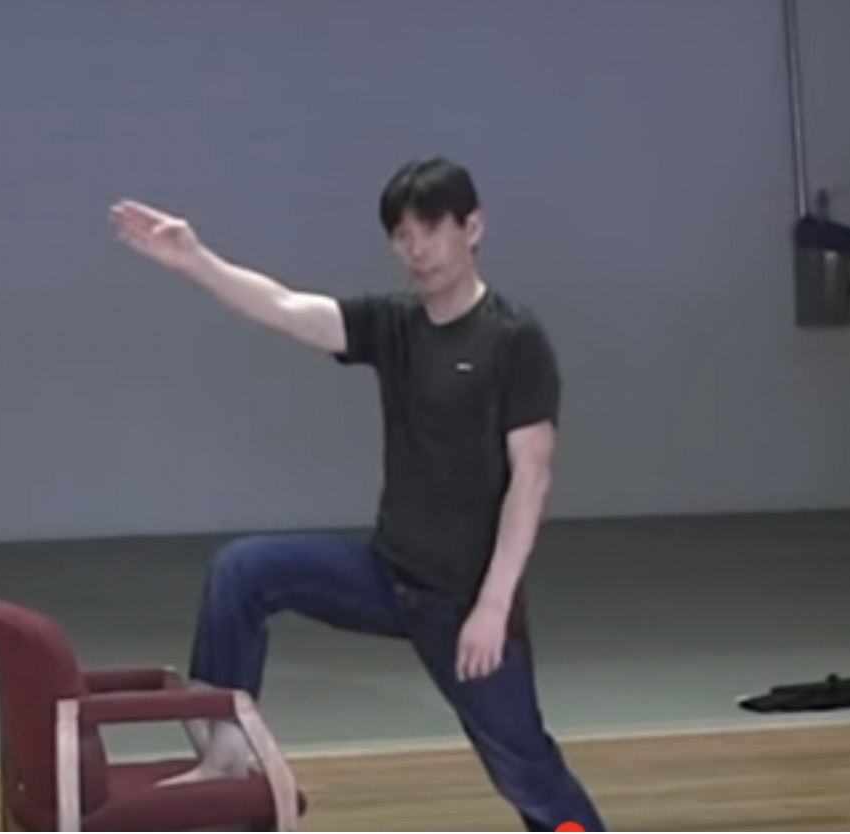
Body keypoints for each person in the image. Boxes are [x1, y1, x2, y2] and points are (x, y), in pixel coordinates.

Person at [108, 156, 606, 830]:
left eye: (430, 228)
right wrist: (195, 259)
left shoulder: (513, 338)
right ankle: (225, 753)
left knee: (527, 773)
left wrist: (492, 605)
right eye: (401, 234)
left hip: (464, 604)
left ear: (473, 227)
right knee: (244, 571)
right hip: (388, 574)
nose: (415, 248)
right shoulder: (395, 324)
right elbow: (288, 310)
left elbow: (532, 477)